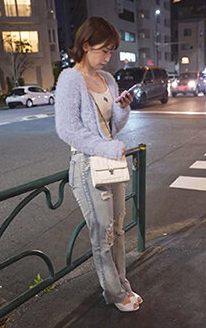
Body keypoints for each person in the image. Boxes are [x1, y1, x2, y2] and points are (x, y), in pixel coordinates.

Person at [54, 17, 143, 312]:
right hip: (87, 164)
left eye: (110, 51)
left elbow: (111, 127)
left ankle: (123, 285)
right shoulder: (70, 79)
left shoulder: (107, 80)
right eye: (103, 50)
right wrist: (106, 147)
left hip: (109, 160)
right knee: (103, 235)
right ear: (85, 45)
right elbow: (68, 129)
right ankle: (114, 294)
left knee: (117, 229)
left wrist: (122, 108)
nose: (107, 57)